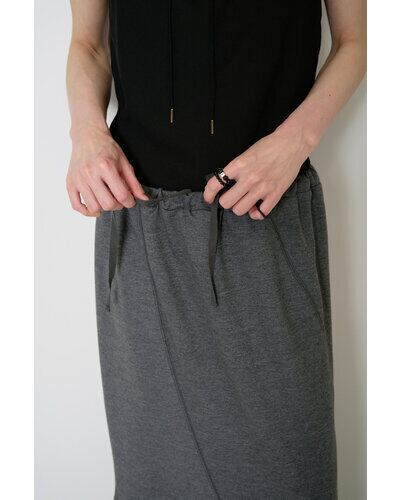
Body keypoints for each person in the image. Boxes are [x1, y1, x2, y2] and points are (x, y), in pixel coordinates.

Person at [66, 1, 366, 498]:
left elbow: (354, 42)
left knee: (289, 474)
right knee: (156, 479)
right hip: (140, 230)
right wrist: (86, 133)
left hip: (266, 218)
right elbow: (88, 45)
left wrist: (294, 143)